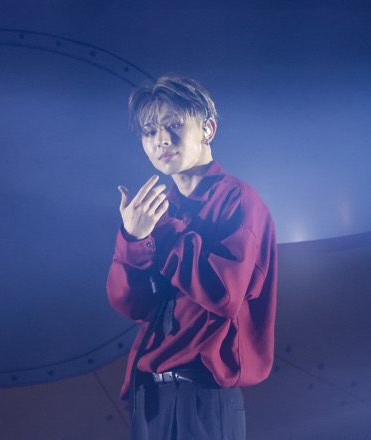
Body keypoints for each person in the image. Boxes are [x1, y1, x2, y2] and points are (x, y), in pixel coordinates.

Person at [106, 74, 277, 440]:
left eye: (173, 125)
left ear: (207, 129)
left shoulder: (238, 200)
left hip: (202, 395)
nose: (161, 140)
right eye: (149, 131)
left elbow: (224, 293)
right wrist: (133, 239)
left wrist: (161, 232)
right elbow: (130, 305)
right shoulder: (160, 210)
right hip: (150, 396)